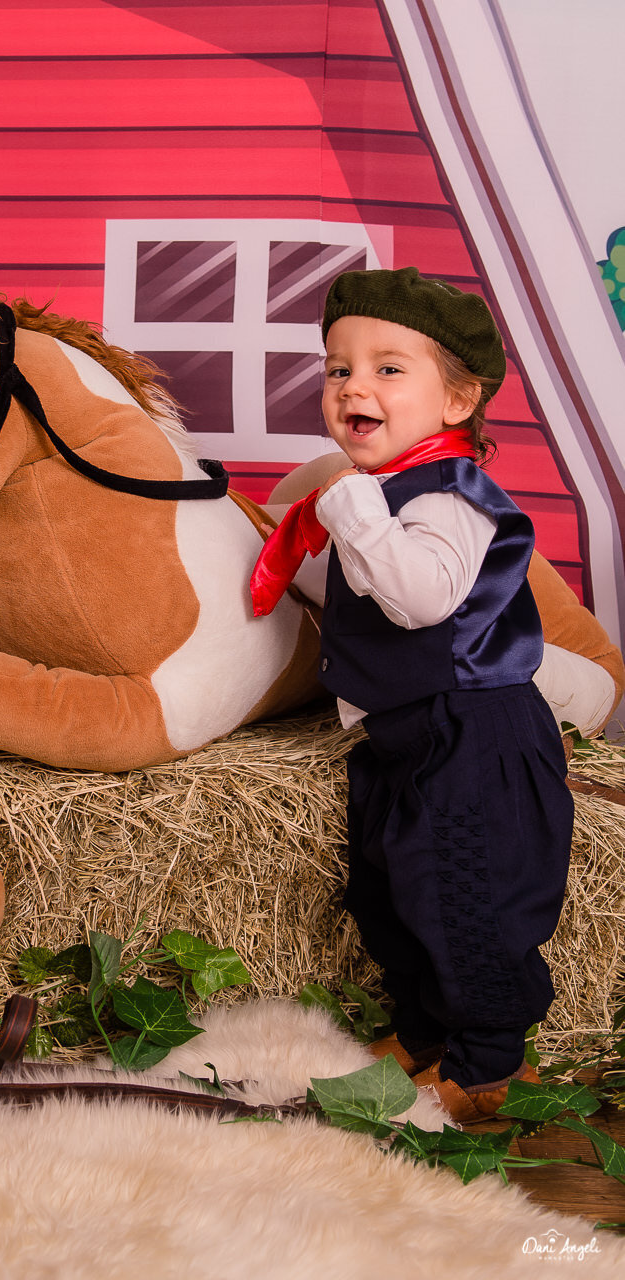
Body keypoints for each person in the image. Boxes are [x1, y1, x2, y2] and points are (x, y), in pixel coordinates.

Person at [250, 266, 573, 1124]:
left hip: (474, 732)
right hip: (407, 733)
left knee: (469, 899)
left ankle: (491, 1064)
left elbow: (421, 598)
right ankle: (427, 1032)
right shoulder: (382, 496)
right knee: (396, 893)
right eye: (338, 368)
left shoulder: (453, 496)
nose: (354, 386)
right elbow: (356, 591)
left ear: (458, 400)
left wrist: (353, 512)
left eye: (388, 368)